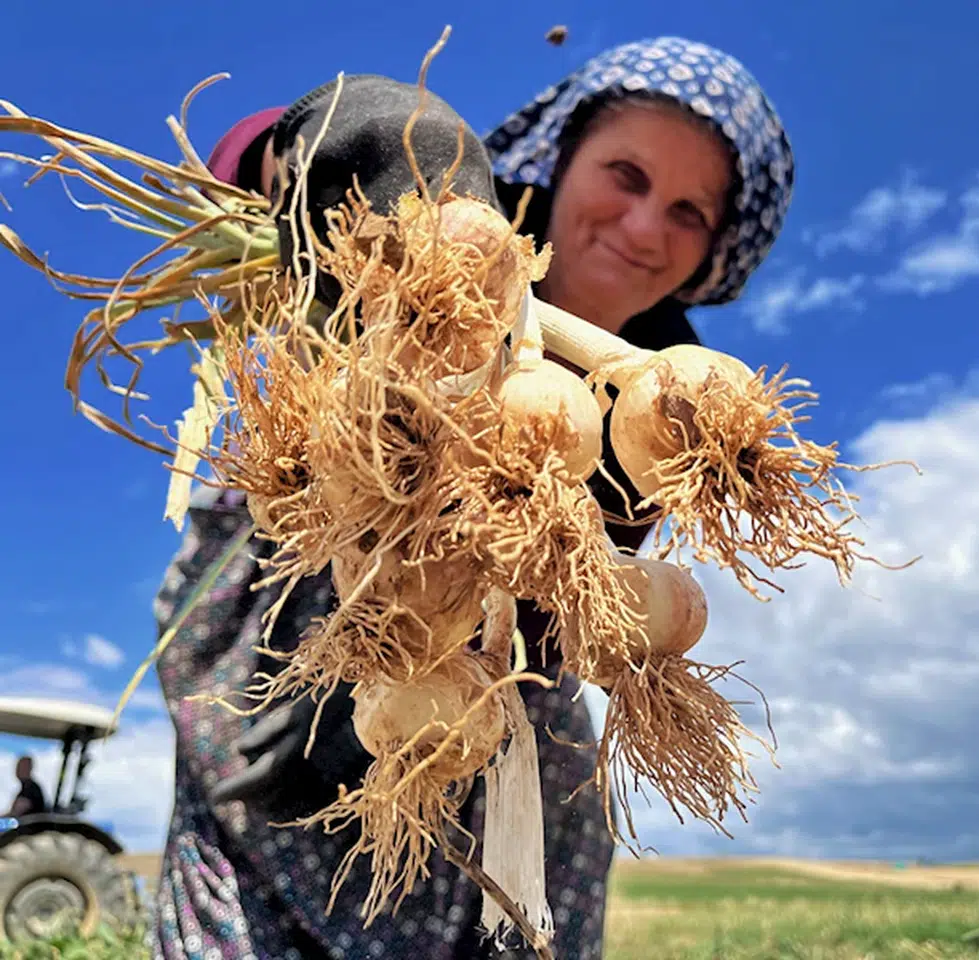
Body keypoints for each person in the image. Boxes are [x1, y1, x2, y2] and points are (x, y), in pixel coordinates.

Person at [151, 35, 793, 960]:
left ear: (717, 251)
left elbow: (553, 589)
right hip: (284, 614)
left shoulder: (664, 399)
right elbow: (235, 173)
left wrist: (433, 657)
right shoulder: (431, 204)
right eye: (627, 174)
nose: (647, 226)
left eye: (690, 211)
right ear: (563, 161)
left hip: (475, 700)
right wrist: (314, 142)